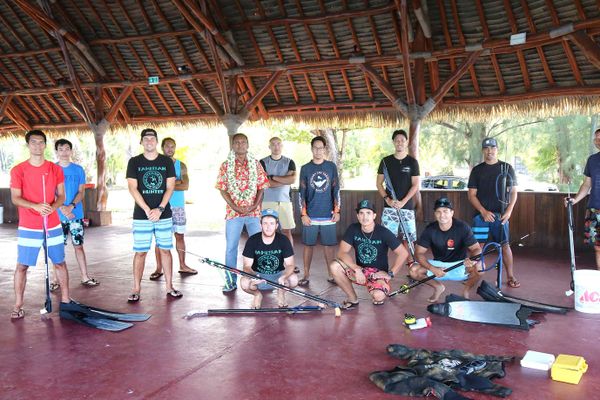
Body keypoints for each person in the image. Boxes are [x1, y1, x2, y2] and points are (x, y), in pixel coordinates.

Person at [10, 130, 69, 319]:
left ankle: (66, 300)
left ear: (45, 145)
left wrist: (53, 208)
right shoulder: (18, 170)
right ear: (28, 145)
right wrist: (35, 206)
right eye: (33, 142)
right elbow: (16, 198)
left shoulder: (54, 169)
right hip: (29, 225)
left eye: (41, 142)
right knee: (22, 266)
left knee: (59, 262)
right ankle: (18, 303)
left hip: (52, 223)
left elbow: (61, 196)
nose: (37, 145)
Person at [126, 128, 181, 302]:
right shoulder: (134, 162)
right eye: (146, 139)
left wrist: (160, 208)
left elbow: (170, 187)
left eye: (152, 138)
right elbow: (132, 188)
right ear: (141, 142)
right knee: (140, 252)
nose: (149, 141)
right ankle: (136, 288)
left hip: (163, 214)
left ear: (157, 142)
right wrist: (147, 210)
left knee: (165, 250)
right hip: (142, 215)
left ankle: (169, 286)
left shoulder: (166, 161)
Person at [216, 133, 269, 293]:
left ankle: (262, 280)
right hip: (234, 214)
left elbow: (262, 186)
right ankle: (230, 282)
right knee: (231, 248)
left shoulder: (255, 164)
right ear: (233, 145)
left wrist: (254, 205)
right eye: (237, 142)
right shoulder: (226, 165)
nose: (240, 145)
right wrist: (234, 206)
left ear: (248, 144)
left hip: (254, 213)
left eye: (243, 142)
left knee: (260, 246)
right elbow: (222, 188)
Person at [330, 200, 409, 307]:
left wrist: (391, 273)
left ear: (374, 216)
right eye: (361, 213)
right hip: (359, 271)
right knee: (335, 266)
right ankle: (353, 299)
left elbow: (403, 253)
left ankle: (381, 287)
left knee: (378, 297)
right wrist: (357, 269)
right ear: (357, 216)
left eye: (368, 213)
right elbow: (342, 253)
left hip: (377, 273)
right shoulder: (353, 229)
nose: (364, 217)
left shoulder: (383, 232)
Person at [467, 137, 519, 288]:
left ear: (497, 149)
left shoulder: (507, 168)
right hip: (481, 216)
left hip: (501, 215)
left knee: (504, 245)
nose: (490, 151)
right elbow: (471, 195)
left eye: (492, 148)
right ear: (483, 150)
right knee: (477, 245)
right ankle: (473, 275)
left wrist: (509, 211)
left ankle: (510, 276)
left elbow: (514, 192)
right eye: (486, 148)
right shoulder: (477, 170)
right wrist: (483, 211)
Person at [410, 197, 483, 303]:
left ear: (452, 213)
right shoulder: (430, 229)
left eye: (445, 211)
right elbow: (418, 253)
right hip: (439, 266)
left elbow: (476, 248)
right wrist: (432, 268)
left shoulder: (462, 227)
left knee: (480, 267)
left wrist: (472, 259)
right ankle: (438, 287)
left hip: (460, 265)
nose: (442, 215)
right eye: (438, 212)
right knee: (414, 270)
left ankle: (466, 292)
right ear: (435, 214)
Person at [49, 139, 99, 291]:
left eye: (67, 149)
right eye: (61, 149)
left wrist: (71, 207)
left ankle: (85, 276)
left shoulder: (78, 169)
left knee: (79, 246)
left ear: (71, 151)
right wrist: (62, 209)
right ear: (57, 152)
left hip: (75, 215)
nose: (64, 152)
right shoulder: (52, 169)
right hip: (57, 216)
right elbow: (51, 192)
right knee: (57, 248)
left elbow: (81, 191)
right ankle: (56, 279)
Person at [151, 137, 197, 280]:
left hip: (178, 207)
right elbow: (156, 185)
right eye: (167, 146)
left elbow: (185, 185)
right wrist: (176, 182)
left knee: (180, 236)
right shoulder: (157, 165)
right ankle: (159, 268)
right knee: (160, 239)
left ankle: (182, 265)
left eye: (172, 146)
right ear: (162, 148)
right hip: (161, 207)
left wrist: (168, 185)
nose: (170, 149)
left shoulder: (181, 165)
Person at [298, 136, 340, 286]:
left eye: (321, 148)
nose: (318, 150)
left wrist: (337, 210)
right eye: (315, 148)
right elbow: (301, 193)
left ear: (324, 149)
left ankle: (331, 274)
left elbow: (336, 189)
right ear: (311, 149)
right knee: (308, 245)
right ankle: (306, 274)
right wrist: (303, 214)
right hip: (310, 215)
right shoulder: (305, 168)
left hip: (328, 214)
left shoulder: (331, 167)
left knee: (329, 246)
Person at [376, 129, 420, 260]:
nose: (399, 143)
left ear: (406, 142)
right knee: (386, 238)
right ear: (393, 142)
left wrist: (404, 201)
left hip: (406, 206)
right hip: (390, 207)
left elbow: (415, 185)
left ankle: (412, 267)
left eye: (402, 140)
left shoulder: (412, 162)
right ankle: (382, 267)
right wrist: (388, 200)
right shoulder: (385, 162)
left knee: (409, 238)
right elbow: (379, 184)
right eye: (397, 140)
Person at [240, 209, 298, 308]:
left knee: (293, 279)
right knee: (244, 283)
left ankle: (281, 293)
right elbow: (246, 266)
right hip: (258, 276)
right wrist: (254, 276)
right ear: (260, 225)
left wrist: (284, 277)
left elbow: (290, 265)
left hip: (278, 277)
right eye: (265, 223)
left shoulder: (283, 240)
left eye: (271, 223)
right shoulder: (252, 240)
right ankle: (257, 295)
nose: (268, 227)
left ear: (276, 225)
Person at [567, 128, 600, 270]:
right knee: (598, 247)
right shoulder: (592, 160)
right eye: (596, 138)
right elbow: (587, 184)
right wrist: (574, 200)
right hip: (594, 209)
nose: (598, 140)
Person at [260, 137, 297, 248]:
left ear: (282, 146)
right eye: (273, 144)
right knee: (268, 232)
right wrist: (285, 180)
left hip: (285, 201)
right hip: (268, 201)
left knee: (287, 231)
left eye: (278, 144)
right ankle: (270, 261)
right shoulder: (262, 162)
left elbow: (292, 180)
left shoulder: (289, 162)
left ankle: (289, 260)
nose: (276, 147)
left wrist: (273, 177)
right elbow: (267, 184)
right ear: (269, 147)